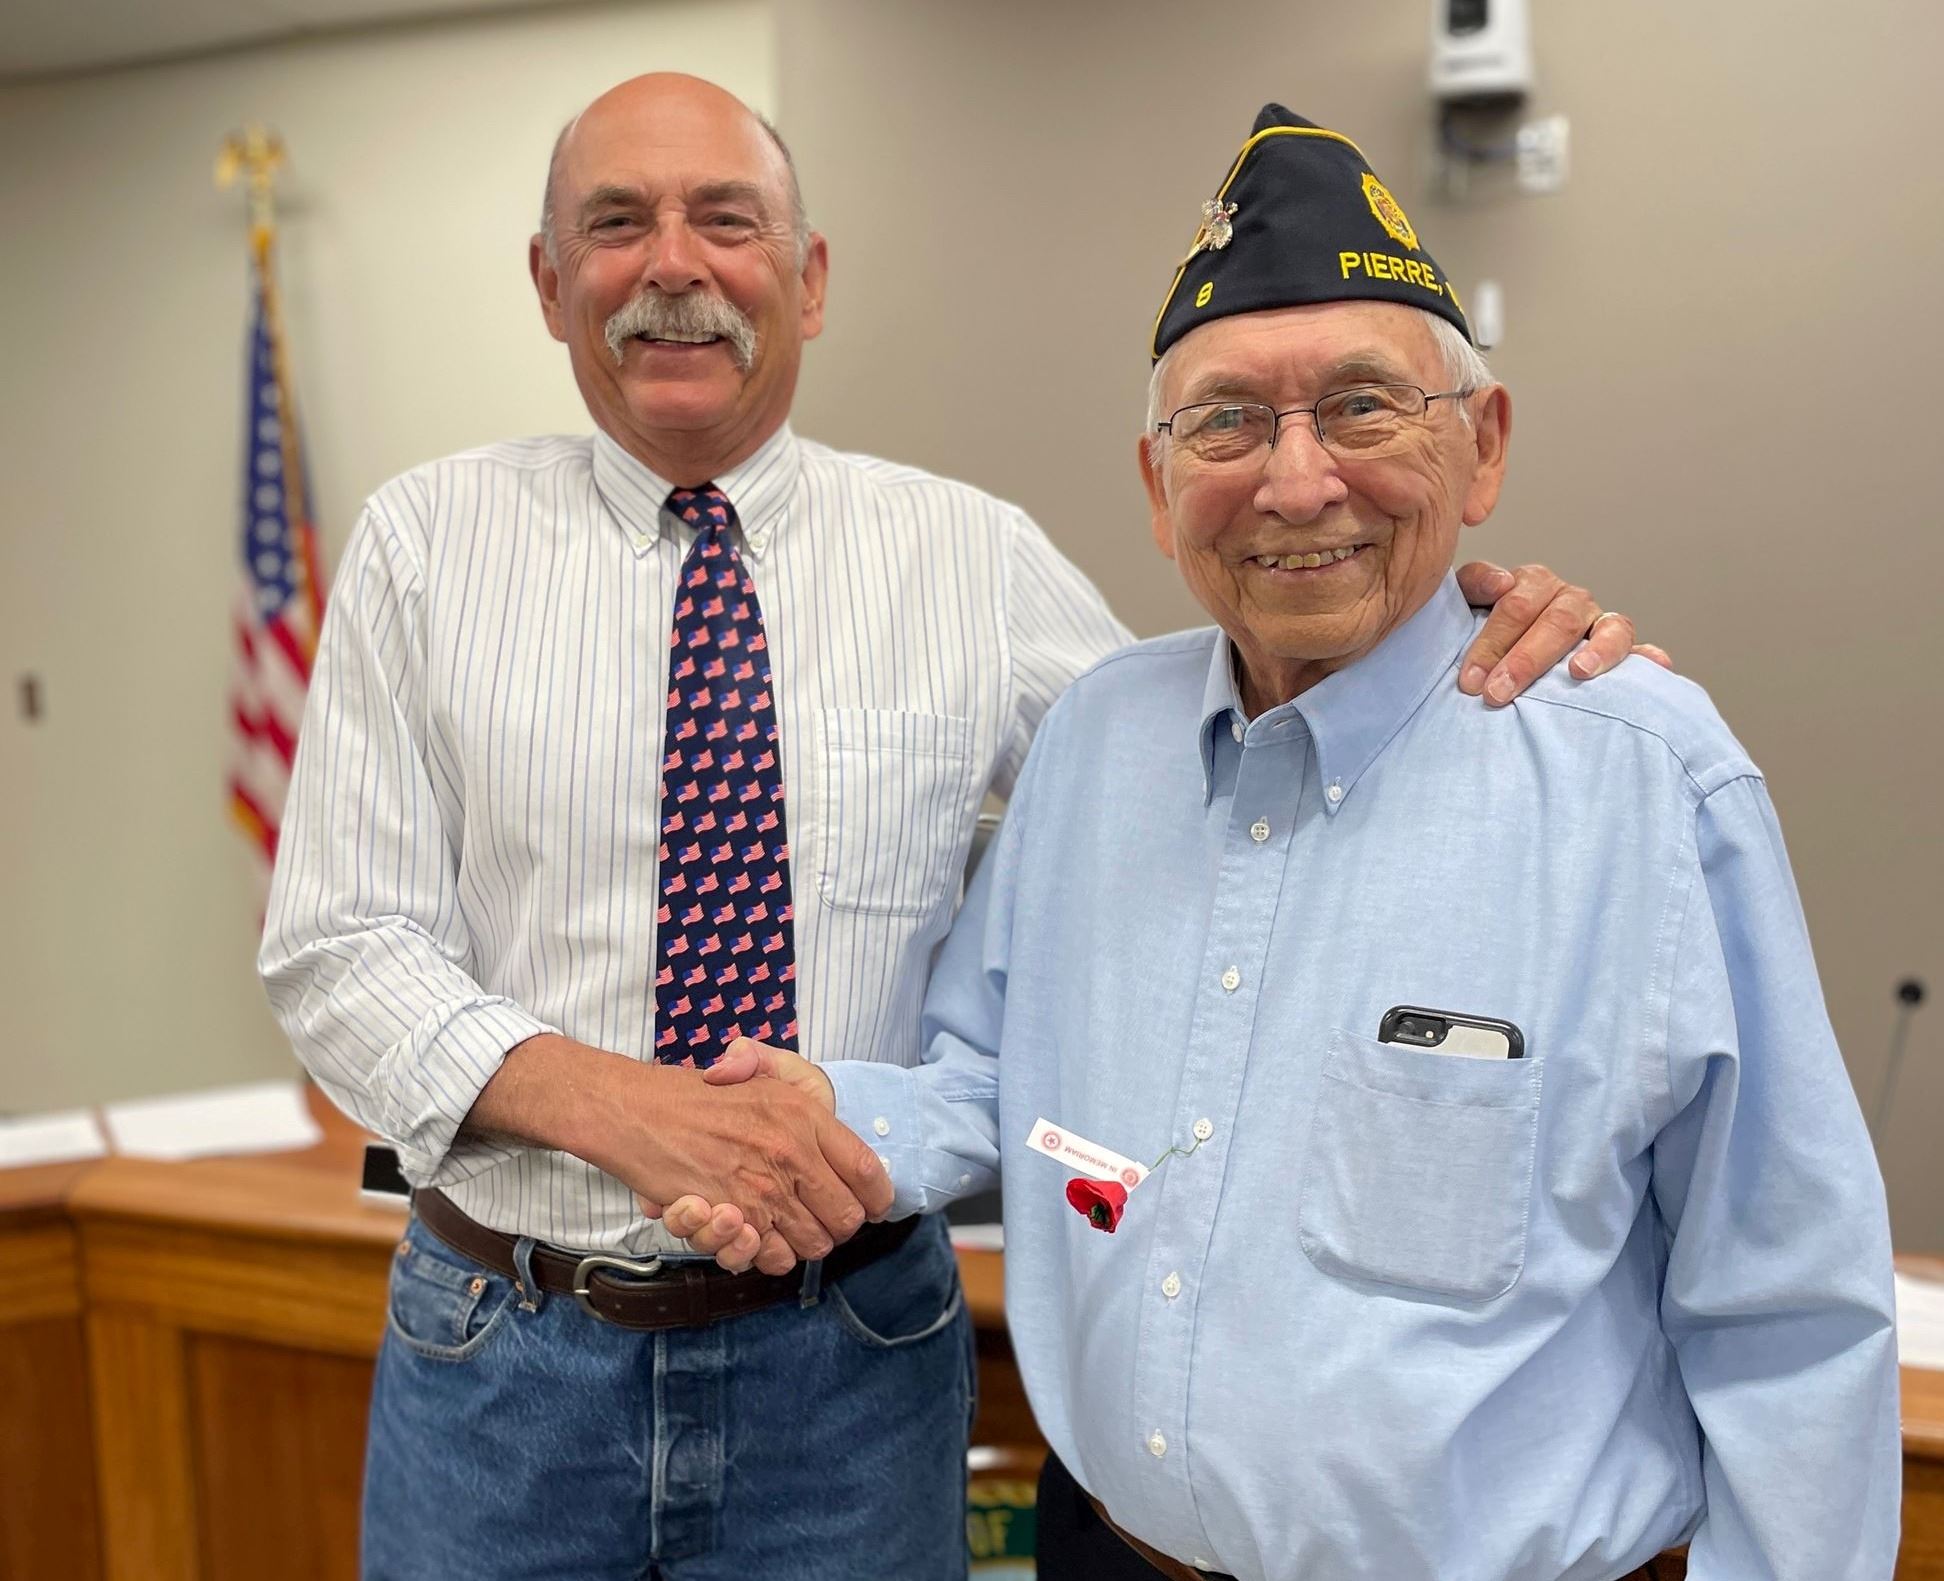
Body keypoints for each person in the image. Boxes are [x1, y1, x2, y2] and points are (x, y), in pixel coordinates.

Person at [260, 74, 1658, 1580]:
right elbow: (342, 945)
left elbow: (1247, 758)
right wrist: (633, 1109)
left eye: (725, 220)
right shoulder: (423, 550)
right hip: (501, 1354)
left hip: (845, 1364)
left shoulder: (968, 560)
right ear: (550, 283)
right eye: (617, 223)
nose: (673, 264)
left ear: (806, 280)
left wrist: (1431, 620)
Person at [675, 106, 1899, 1581]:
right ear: (1156, 482)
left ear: (1485, 444)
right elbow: (998, 1082)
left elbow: (1789, 1310)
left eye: (1367, 407)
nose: (1297, 480)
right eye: (1228, 422)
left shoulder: (1642, 782)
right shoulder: (1093, 746)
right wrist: (821, 1122)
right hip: (1112, 1553)